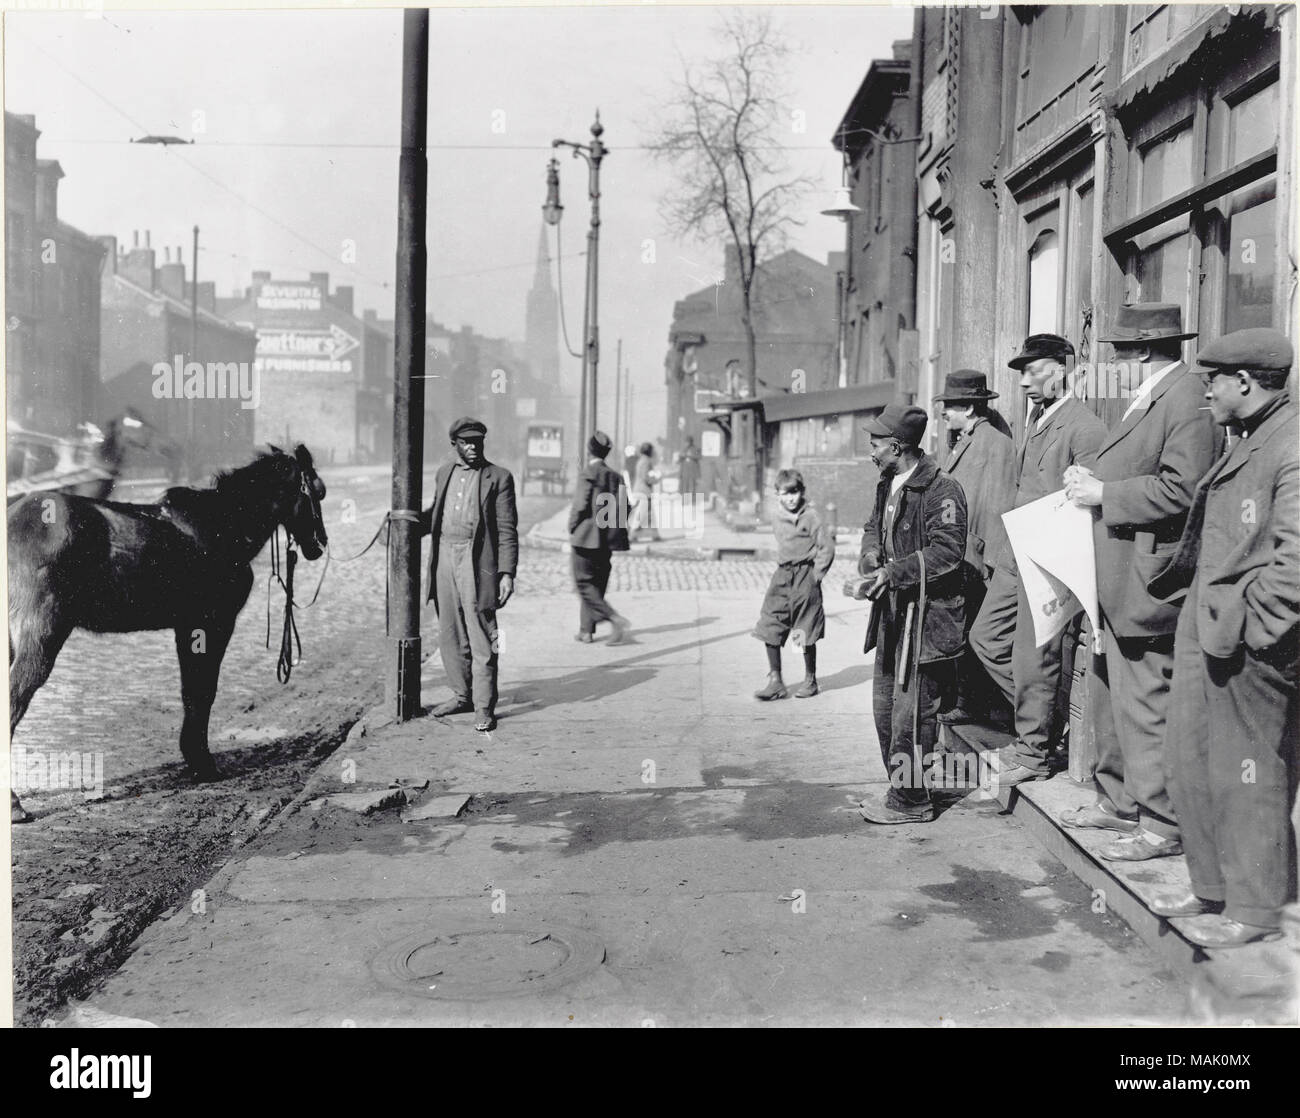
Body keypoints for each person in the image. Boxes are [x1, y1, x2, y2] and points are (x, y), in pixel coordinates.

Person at [1144, 328, 1297, 948]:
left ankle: (1254, 909)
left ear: (1245, 382)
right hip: (1206, 623)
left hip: (1247, 636)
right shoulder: (1251, 436)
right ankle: (1212, 886)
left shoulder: (1289, 444)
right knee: (1190, 760)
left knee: (1249, 772)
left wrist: (1255, 626)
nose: (1204, 387)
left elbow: (1295, 561)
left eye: (1213, 379)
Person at [1063, 302, 1218, 860]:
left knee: (1147, 700)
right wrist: (1092, 478)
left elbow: (1184, 490)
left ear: (1142, 352)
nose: (1111, 364)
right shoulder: (1152, 397)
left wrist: (1104, 494)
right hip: (1118, 578)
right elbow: (1142, 470)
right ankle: (1120, 801)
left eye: (1118, 353)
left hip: (1150, 582)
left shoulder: (1187, 400)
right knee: (1111, 694)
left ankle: (1161, 825)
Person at [966, 335, 1106, 782]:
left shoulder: (1085, 427)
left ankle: (1034, 749)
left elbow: (1086, 502)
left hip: (1049, 558)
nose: (1025, 381)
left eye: (1034, 370)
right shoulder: (1038, 416)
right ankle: (1046, 722)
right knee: (986, 639)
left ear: (1062, 369)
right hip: (1016, 552)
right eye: (1021, 372)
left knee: (1035, 655)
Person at [856, 404, 968, 825]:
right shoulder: (887, 481)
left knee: (912, 715)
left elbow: (947, 553)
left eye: (875, 443)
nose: (870, 450)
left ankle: (912, 801)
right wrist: (871, 556)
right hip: (890, 616)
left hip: (926, 620)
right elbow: (873, 527)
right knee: (885, 709)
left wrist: (893, 571)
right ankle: (901, 789)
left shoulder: (943, 490)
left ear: (897, 446)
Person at [420, 416, 518, 732]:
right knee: (449, 632)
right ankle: (461, 695)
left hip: (478, 562)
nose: (473, 447)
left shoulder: (499, 477)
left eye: (477, 442)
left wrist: (506, 573)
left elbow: (506, 529)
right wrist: (403, 521)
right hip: (445, 556)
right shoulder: (444, 473)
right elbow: (434, 516)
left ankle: (483, 707)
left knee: (481, 633)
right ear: (455, 445)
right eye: (466, 442)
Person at [934, 369, 1018, 720]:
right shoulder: (964, 440)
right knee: (965, 629)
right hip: (962, 555)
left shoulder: (996, 445)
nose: (943, 413)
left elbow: (999, 506)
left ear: (968, 408)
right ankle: (970, 704)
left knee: (979, 631)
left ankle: (1000, 711)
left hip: (979, 560)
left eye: (949, 406)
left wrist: (989, 564)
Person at [753, 468, 835, 700]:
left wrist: (815, 576)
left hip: (804, 577)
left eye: (795, 492)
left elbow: (826, 548)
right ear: (777, 495)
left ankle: (810, 679)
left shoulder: (811, 517)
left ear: (802, 492)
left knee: (803, 629)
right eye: (785, 493)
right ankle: (776, 680)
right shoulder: (776, 516)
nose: (790, 498)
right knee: (771, 623)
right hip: (782, 576)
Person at [568, 430, 631, 646]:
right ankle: (586, 630)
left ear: (589, 450)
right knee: (597, 584)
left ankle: (615, 618)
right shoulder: (616, 477)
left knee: (583, 583)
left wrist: (572, 526)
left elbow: (580, 505)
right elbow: (626, 509)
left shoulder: (588, 473)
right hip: (606, 541)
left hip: (585, 538)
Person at [631, 442, 660, 541]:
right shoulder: (646, 461)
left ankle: (654, 535)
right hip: (643, 491)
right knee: (642, 513)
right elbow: (646, 477)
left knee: (648, 513)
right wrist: (656, 479)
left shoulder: (642, 460)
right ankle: (633, 534)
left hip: (640, 490)